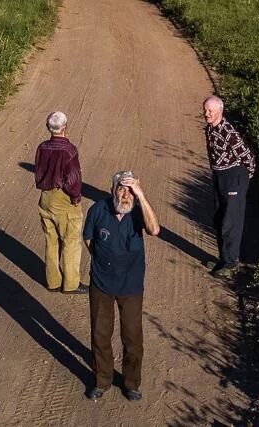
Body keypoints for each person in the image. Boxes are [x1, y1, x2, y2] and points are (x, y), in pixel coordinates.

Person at [82, 171, 160, 401]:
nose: (125, 194)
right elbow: (88, 238)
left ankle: (131, 383)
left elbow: (155, 230)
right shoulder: (98, 209)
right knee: (100, 334)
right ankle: (102, 379)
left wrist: (142, 196)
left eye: (129, 190)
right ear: (112, 189)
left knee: (133, 336)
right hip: (101, 283)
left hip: (131, 285)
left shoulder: (138, 211)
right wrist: (102, 261)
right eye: (121, 188)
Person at [33, 111, 86, 294]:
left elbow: (38, 173)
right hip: (64, 199)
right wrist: (75, 197)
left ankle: (53, 281)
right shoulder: (69, 150)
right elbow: (73, 179)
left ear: (49, 128)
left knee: (51, 240)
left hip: (46, 197)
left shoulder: (42, 147)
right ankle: (71, 284)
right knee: (71, 242)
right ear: (65, 127)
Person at [202, 95, 255, 279]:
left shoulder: (229, 132)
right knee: (219, 218)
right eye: (205, 110)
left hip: (234, 177)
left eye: (210, 111)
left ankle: (231, 263)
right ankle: (223, 259)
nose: (206, 114)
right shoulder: (210, 129)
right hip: (219, 175)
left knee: (230, 222)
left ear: (220, 111)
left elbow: (247, 156)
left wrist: (244, 178)